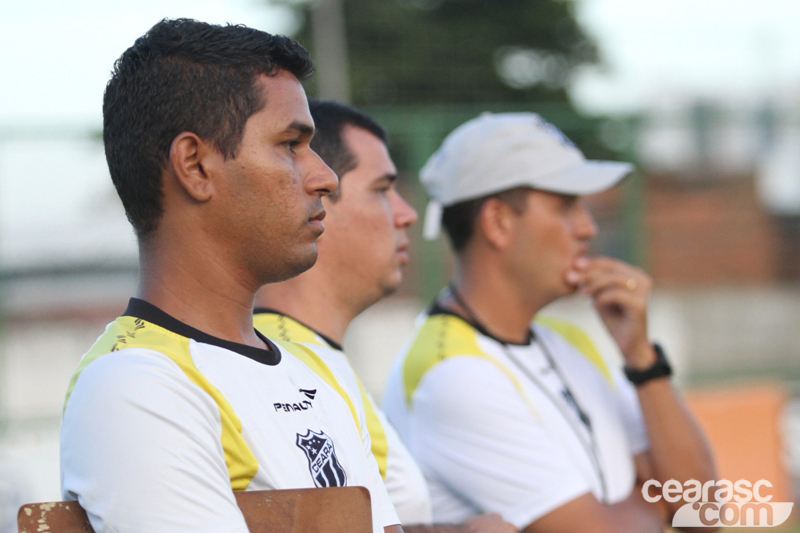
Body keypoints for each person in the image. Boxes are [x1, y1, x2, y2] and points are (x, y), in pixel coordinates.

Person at [59, 19, 401, 533]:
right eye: (291, 144)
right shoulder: (135, 386)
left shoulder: (314, 370)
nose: (326, 178)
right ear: (195, 166)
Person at [382, 112, 717, 532]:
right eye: (566, 206)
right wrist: (653, 501)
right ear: (497, 222)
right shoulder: (452, 374)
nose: (587, 228)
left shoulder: (569, 339)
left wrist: (642, 359)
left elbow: (701, 509)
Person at [254, 100, 516, 533]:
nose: (407, 214)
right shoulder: (278, 368)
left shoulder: (309, 356)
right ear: (316, 202)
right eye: (382, 189)